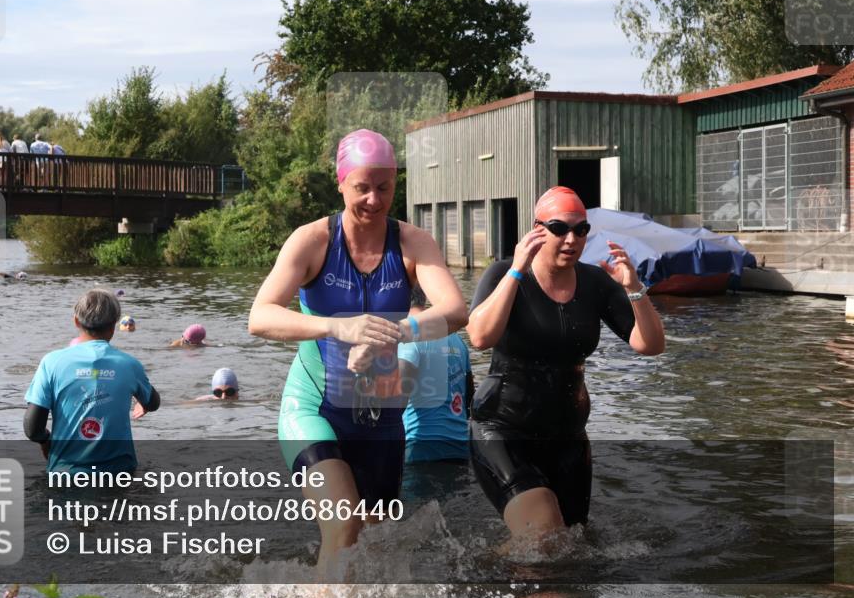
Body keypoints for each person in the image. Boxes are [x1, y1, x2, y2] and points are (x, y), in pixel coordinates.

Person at [248, 128, 468, 573]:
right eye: (361, 187)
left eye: (384, 187)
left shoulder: (412, 242)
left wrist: (397, 331)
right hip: (313, 407)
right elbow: (261, 316)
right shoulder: (312, 241)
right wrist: (337, 326)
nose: (373, 199)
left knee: (373, 549)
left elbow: (456, 311)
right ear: (340, 183)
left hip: (381, 421)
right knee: (343, 525)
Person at [465, 186, 665, 545]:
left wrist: (634, 288)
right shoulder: (502, 274)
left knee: (571, 549)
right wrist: (516, 271)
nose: (571, 239)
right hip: (503, 430)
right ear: (536, 229)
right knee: (544, 533)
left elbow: (649, 345)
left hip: (567, 440)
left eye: (581, 230)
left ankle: (487, 580)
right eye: (559, 228)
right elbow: (479, 337)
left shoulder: (595, 282)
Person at [24, 289, 160, 472]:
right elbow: (153, 403)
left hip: (67, 474)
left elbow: (32, 429)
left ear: (76, 321)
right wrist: (143, 403)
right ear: (113, 325)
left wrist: (45, 441)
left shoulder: (51, 362)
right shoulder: (129, 365)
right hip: (119, 473)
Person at [398, 286, 473, 464]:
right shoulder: (457, 339)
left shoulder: (408, 337)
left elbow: (397, 397)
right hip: (460, 448)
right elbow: (469, 398)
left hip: (418, 449)